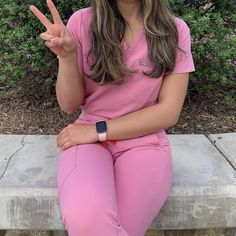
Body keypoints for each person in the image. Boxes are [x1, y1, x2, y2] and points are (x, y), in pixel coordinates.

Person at [30, 0, 195, 235]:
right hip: (86, 144)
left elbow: (169, 111)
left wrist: (97, 130)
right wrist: (67, 58)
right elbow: (69, 104)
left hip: (143, 142)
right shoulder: (82, 22)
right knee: (88, 220)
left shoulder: (175, 30)